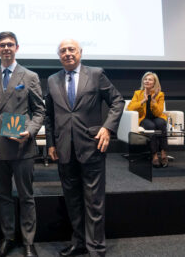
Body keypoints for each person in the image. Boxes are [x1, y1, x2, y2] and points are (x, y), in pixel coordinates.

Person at [45, 39, 124, 257]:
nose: (67, 53)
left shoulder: (96, 74)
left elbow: (117, 101)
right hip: (63, 149)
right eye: (63, 51)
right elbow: (49, 116)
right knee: (72, 201)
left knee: (94, 201)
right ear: (59, 55)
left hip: (92, 146)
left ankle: (96, 248)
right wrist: (51, 143)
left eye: (72, 50)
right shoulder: (52, 80)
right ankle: (79, 242)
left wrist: (108, 128)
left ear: (81, 52)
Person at [0, 32, 45, 257]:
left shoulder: (30, 76)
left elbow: (39, 110)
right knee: (4, 196)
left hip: (22, 146)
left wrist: (29, 131)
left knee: (27, 196)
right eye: (1, 45)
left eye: (10, 44)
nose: (6, 48)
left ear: (17, 47)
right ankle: (8, 237)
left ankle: (28, 241)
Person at [126, 72, 169, 168]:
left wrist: (153, 101)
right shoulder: (138, 93)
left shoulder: (160, 94)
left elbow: (158, 113)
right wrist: (143, 101)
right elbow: (130, 107)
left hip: (157, 117)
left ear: (154, 83)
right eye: (145, 79)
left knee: (161, 123)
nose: (147, 81)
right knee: (151, 126)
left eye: (150, 79)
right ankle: (154, 155)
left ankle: (163, 153)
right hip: (144, 118)